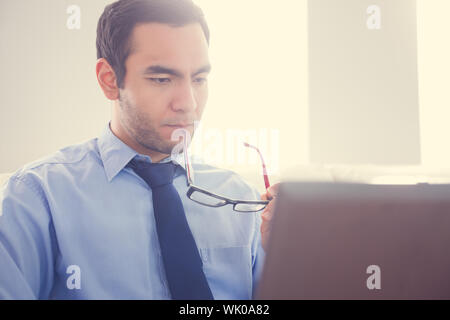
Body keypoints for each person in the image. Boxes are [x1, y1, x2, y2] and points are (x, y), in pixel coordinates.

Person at [0, 0, 278, 299]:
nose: (188, 103)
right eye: (161, 79)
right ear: (109, 80)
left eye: (198, 79)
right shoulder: (37, 198)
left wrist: (288, 262)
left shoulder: (242, 200)